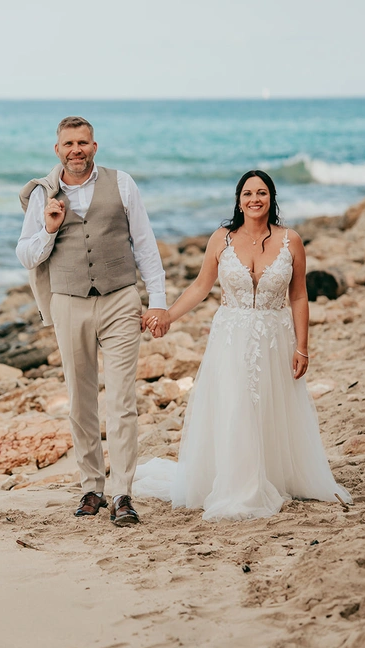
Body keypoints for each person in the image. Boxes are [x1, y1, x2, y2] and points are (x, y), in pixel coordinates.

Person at [136, 170, 352, 521]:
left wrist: (302, 347)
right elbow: (200, 286)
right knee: (236, 406)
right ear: (239, 200)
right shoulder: (221, 239)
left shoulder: (291, 240)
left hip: (274, 337)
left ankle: (271, 476)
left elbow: (299, 296)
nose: (255, 199)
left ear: (271, 198)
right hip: (231, 337)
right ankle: (240, 486)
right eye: (248, 193)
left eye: (261, 193)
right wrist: (168, 316)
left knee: (269, 407)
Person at [16, 116, 168, 526]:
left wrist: (157, 301)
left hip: (120, 299)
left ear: (94, 147)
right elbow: (26, 254)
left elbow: (145, 245)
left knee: (121, 401)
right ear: (57, 150)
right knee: (80, 400)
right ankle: (91, 487)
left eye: (83, 142)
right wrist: (49, 229)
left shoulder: (122, 184)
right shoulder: (43, 195)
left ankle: (122, 494)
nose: (76, 150)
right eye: (68, 144)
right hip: (69, 303)